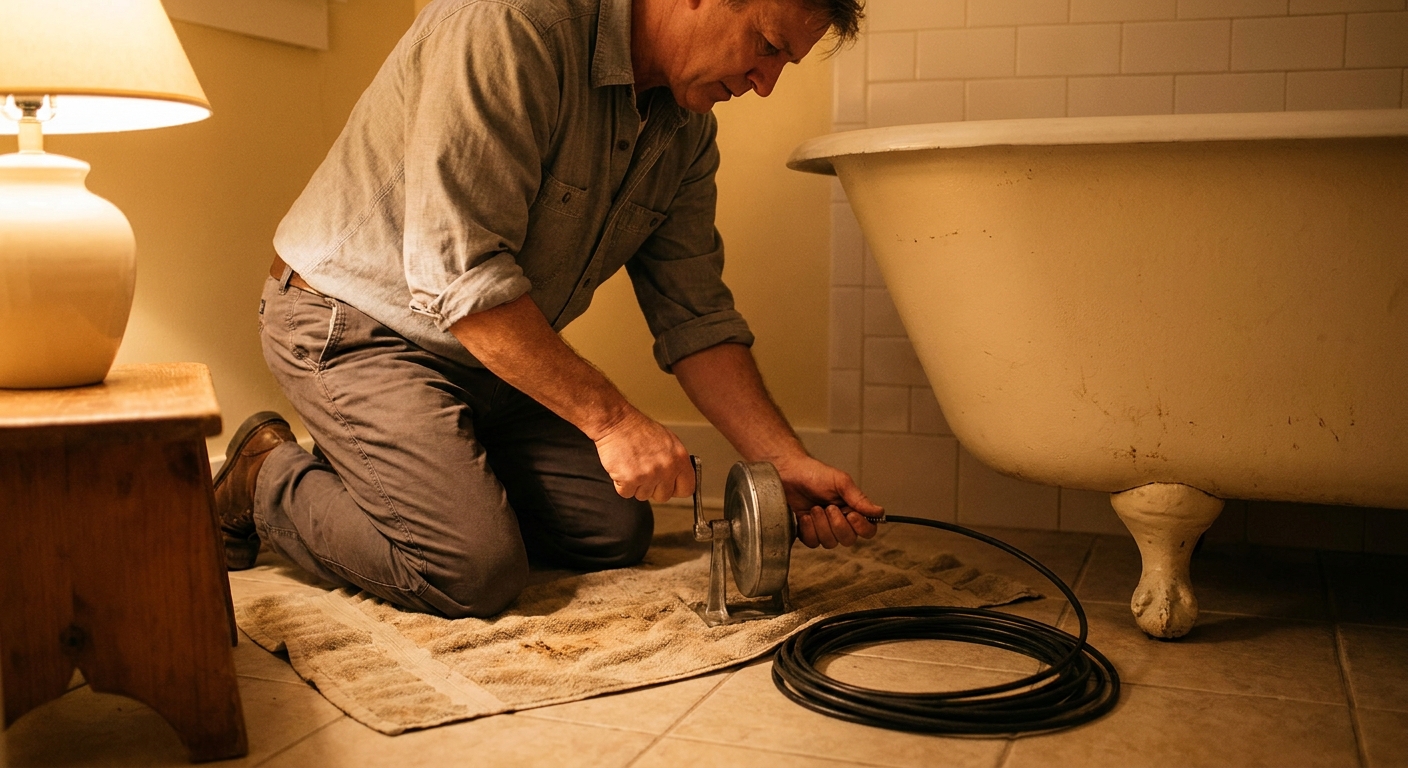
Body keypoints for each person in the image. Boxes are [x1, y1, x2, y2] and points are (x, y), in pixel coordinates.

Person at [212, 0, 881, 619]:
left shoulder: (685, 133)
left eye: (784, 63)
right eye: (766, 45)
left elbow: (695, 315)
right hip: (353, 324)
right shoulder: (508, 23)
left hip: (484, 355)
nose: (765, 84)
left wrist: (782, 460)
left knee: (613, 529)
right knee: (470, 570)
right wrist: (613, 420)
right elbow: (463, 277)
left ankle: (408, 473)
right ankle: (262, 474)